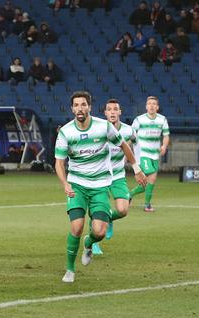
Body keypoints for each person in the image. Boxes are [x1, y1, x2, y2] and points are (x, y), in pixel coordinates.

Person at [55, 91, 146, 283]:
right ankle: (70, 269)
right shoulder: (66, 132)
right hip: (77, 185)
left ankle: (89, 243)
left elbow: (123, 145)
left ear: (89, 107)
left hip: (100, 185)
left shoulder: (103, 127)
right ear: (72, 109)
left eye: (83, 105)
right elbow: (59, 162)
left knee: (99, 231)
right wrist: (65, 183)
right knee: (77, 226)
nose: (80, 108)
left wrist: (136, 169)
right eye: (76, 105)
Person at [82, 99, 137, 259]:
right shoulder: (99, 130)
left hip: (118, 176)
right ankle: (94, 242)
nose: (112, 112)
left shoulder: (128, 130)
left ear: (120, 112)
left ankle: (109, 218)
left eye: (115, 109)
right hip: (101, 177)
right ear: (105, 113)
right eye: (109, 109)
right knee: (98, 214)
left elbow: (135, 143)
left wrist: (137, 165)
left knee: (122, 210)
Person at [129, 96, 170, 212]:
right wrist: (128, 149)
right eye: (149, 104)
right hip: (142, 153)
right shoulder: (139, 120)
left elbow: (166, 135)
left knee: (147, 181)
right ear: (146, 106)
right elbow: (131, 133)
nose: (151, 106)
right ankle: (147, 205)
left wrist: (164, 146)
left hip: (155, 155)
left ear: (157, 107)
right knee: (152, 177)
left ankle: (129, 194)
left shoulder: (162, 120)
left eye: (154, 104)